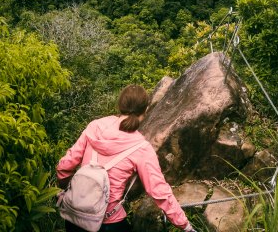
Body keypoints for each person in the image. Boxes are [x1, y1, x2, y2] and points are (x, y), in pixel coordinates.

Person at [56, 84, 195, 232]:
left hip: (74, 217)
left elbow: (64, 166)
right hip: (108, 223)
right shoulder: (141, 147)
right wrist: (185, 226)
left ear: (120, 105)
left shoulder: (94, 127)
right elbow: (159, 192)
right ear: (146, 110)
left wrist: (75, 192)